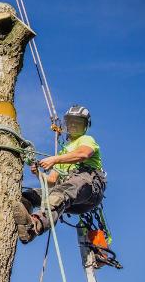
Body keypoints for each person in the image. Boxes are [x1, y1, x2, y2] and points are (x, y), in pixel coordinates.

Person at [13, 104, 107, 244]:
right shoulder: (63, 153)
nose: (74, 126)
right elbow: (51, 180)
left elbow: (84, 154)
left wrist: (54, 159)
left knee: (59, 193)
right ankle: (22, 220)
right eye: (71, 122)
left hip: (89, 186)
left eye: (78, 123)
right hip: (72, 198)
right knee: (29, 195)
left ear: (85, 126)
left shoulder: (86, 140)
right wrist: (38, 174)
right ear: (66, 124)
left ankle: (34, 226)